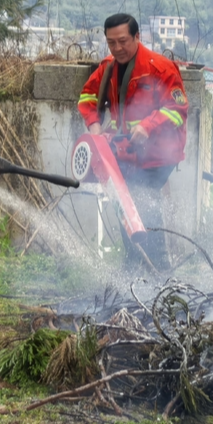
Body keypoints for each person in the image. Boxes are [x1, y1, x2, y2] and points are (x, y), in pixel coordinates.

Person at [77, 13, 188, 270]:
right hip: (125, 153)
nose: (117, 48)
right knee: (125, 206)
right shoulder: (108, 67)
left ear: (137, 37)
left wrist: (148, 126)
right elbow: (86, 97)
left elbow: (178, 109)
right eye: (111, 43)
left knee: (142, 208)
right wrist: (94, 126)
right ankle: (135, 267)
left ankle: (159, 271)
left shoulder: (159, 68)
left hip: (158, 156)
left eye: (123, 41)